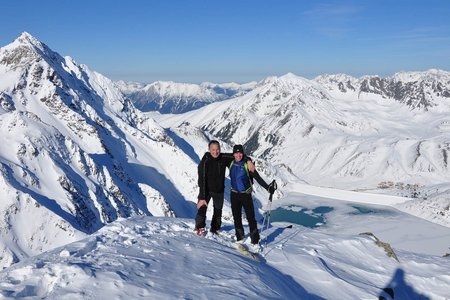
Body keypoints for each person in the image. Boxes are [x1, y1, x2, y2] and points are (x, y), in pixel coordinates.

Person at [195, 140, 254, 235]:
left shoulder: (223, 157)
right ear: (209, 150)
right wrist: (202, 197)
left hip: (219, 191)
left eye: (217, 149)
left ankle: (215, 228)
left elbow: (237, 155)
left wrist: (248, 160)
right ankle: (200, 228)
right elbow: (201, 179)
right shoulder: (205, 161)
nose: (215, 152)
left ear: (220, 149)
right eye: (213, 150)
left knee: (218, 211)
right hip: (206, 190)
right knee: (202, 208)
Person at [228, 144, 276, 245]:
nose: (238, 155)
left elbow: (257, 178)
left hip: (246, 195)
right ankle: (239, 237)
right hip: (234, 194)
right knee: (236, 217)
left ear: (243, 153)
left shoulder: (247, 164)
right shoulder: (230, 162)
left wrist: (268, 188)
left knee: (251, 218)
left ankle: (255, 240)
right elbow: (219, 156)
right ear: (233, 154)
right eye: (236, 153)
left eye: (240, 153)